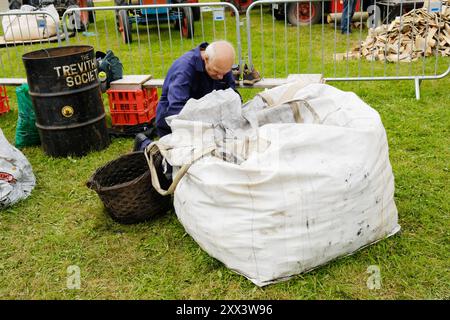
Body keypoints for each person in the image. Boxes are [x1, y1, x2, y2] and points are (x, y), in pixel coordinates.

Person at [155, 40, 237, 138]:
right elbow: (176, 109)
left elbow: (231, 93)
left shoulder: (220, 65)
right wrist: (206, 124)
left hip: (207, 119)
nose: (221, 77)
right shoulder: (184, 69)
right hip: (174, 123)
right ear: (206, 59)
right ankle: (143, 143)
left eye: (225, 73)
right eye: (217, 72)